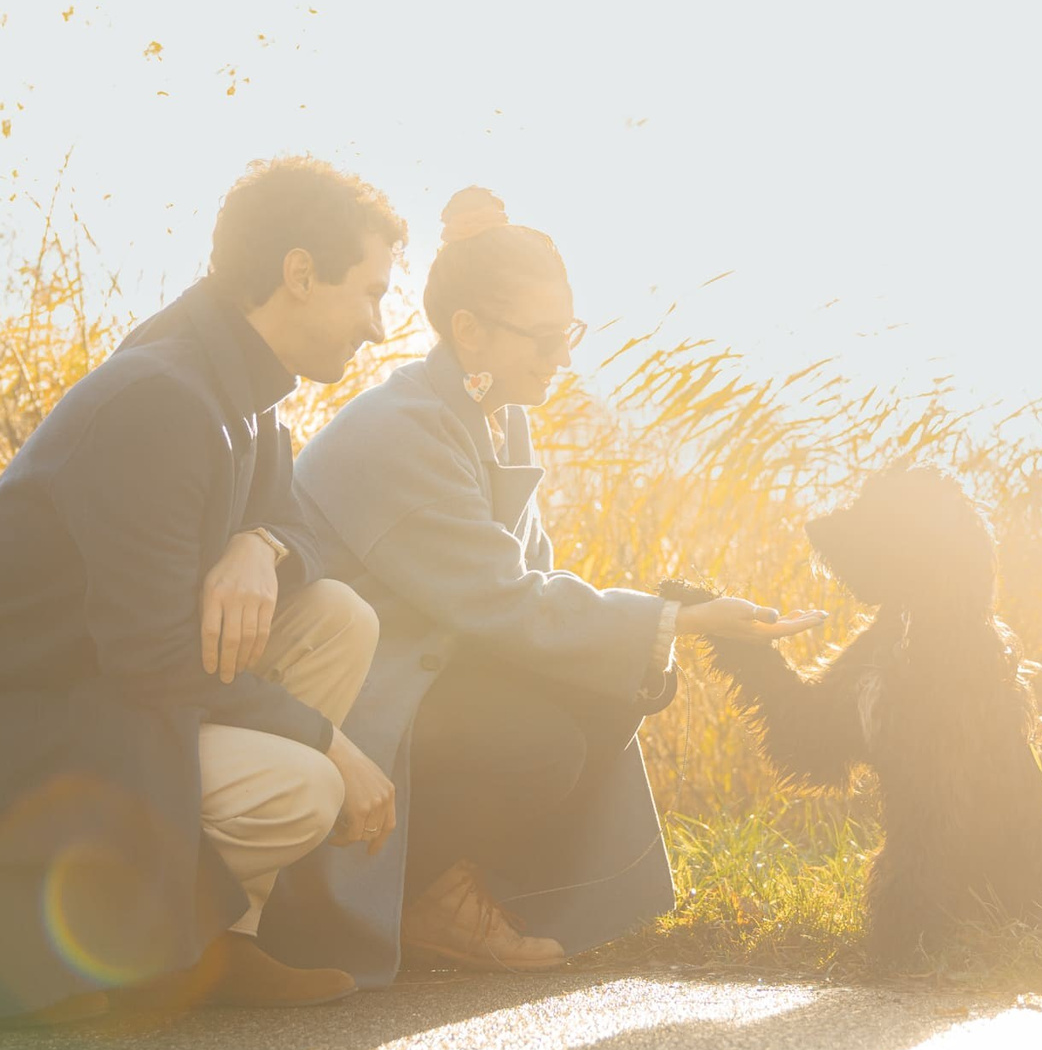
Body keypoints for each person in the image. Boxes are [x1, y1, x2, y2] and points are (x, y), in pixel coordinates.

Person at [0, 156, 406, 1031]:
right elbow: (152, 655)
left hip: (103, 691)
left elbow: (303, 525)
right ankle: (156, 951)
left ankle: (216, 942)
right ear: (300, 275)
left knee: (340, 618)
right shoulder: (160, 399)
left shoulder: (249, 392)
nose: (379, 328)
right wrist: (329, 744)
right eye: (371, 294)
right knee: (304, 786)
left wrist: (258, 547)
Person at [264, 187, 820, 978]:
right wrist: (677, 621)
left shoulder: (494, 409)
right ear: (470, 332)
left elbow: (533, 576)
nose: (563, 354)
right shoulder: (401, 430)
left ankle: (453, 887)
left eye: (570, 333)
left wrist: (672, 617)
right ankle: (417, 893)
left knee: (616, 688)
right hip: (357, 699)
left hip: (433, 667)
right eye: (546, 337)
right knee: (543, 744)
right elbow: (503, 600)